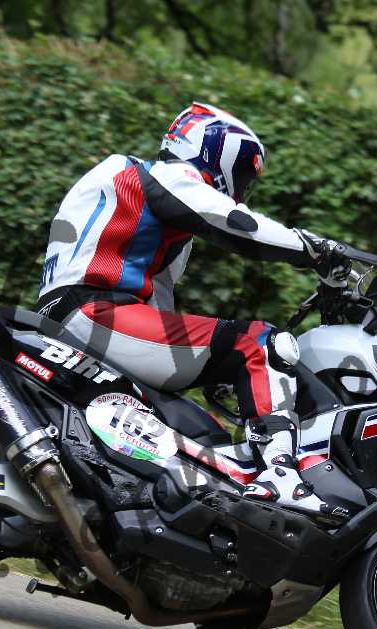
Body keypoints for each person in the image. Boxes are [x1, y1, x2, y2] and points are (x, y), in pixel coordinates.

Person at [36, 102, 350, 515]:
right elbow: (237, 224)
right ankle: (280, 476)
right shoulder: (164, 176)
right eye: (242, 174)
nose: (240, 188)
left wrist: (212, 366)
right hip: (96, 310)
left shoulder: (145, 199)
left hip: (86, 315)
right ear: (215, 152)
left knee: (201, 424)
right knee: (260, 343)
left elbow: (159, 306)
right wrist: (314, 248)